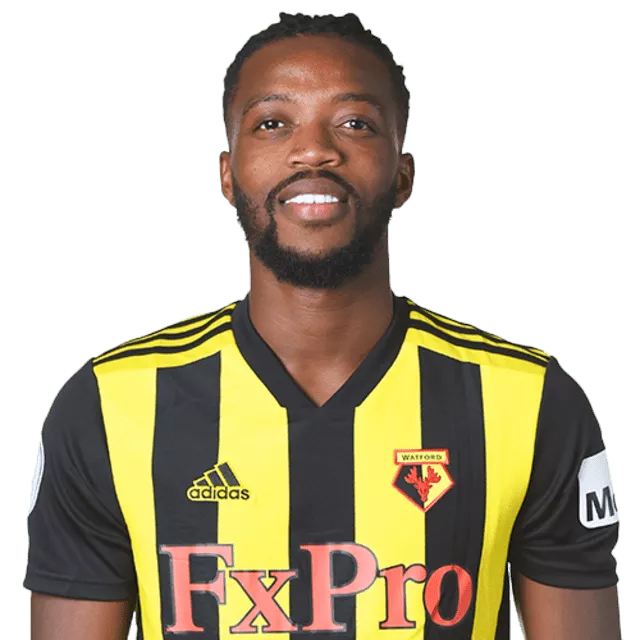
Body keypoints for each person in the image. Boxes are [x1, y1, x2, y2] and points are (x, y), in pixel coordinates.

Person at [24, 10, 621, 640]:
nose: (314, 149)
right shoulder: (110, 406)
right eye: (272, 123)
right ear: (228, 174)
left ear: (403, 175)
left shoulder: (528, 402)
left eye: (355, 123)